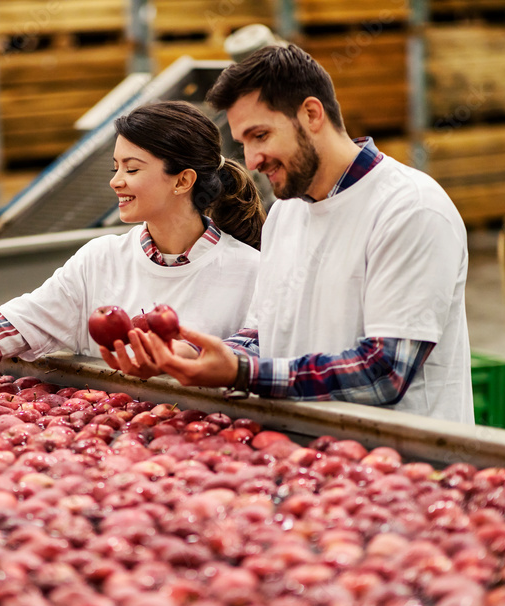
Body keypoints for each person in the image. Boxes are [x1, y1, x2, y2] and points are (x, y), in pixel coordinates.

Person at [103, 45, 474, 424]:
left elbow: (384, 374)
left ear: (311, 114)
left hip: (408, 465)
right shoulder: (286, 214)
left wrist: (240, 374)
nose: (251, 160)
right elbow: (266, 335)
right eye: (243, 142)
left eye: (260, 135)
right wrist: (195, 356)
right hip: (307, 455)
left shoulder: (409, 209)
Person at [0, 100, 265, 398]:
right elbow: (14, 325)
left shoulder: (250, 271)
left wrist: (183, 359)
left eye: (132, 169)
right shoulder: (100, 261)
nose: (116, 182)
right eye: (115, 167)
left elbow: (257, 350)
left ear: (182, 180)